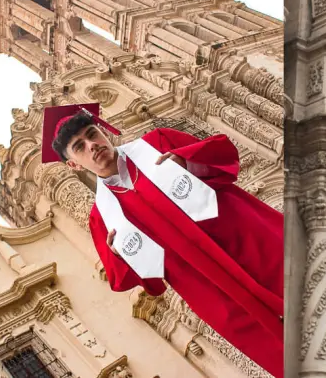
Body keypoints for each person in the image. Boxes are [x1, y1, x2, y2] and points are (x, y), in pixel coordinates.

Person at [41, 103, 283, 378]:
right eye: (79, 147)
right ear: (73, 164)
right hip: (208, 285)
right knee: (274, 344)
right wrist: (118, 255)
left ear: (103, 132)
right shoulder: (103, 218)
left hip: (248, 239)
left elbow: (225, 157)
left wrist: (187, 161)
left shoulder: (157, 144)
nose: (92, 145)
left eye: (92, 133)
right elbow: (135, 281)